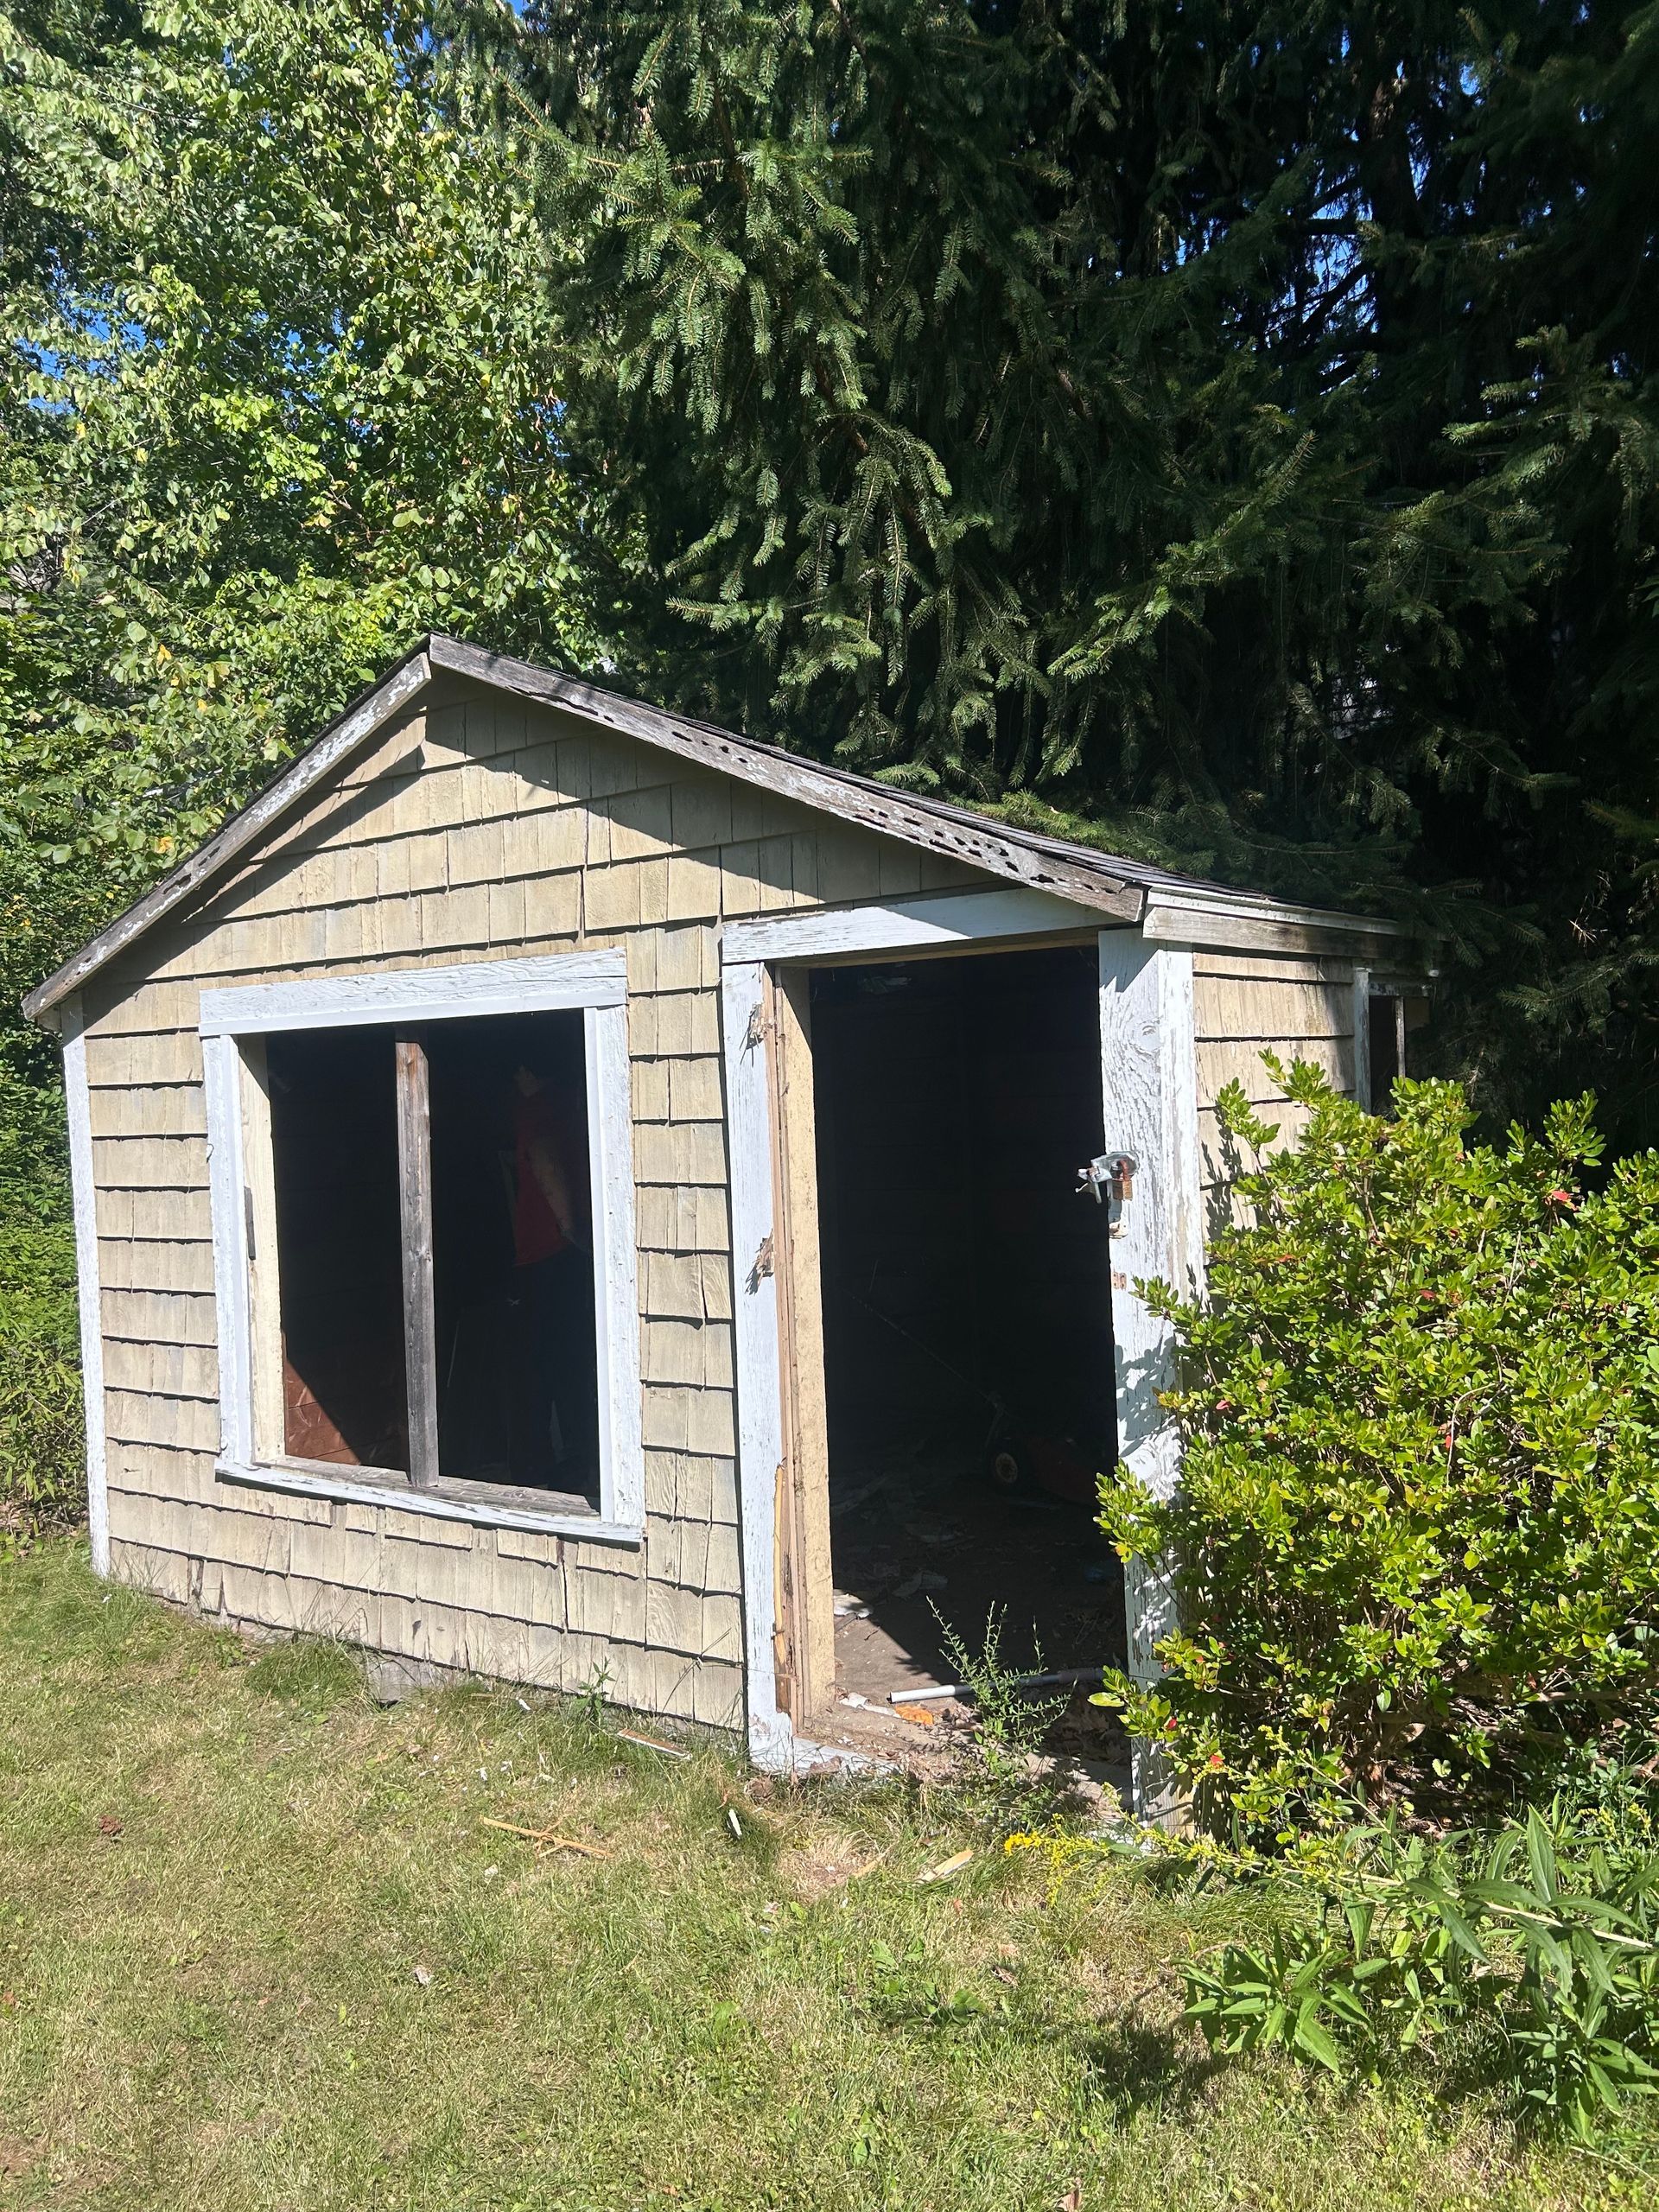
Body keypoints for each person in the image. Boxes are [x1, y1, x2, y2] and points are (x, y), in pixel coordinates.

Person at [505, 1064, 598, 1491]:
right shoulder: (566, 1103)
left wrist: (569, 1231)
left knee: (544, 1363)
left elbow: (544, 1161)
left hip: (550, 1254)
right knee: (566, 1360)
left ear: (526, 1068)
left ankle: (540, 1468)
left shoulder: (539, 1109)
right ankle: (572, 1459)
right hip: (558, 1255)